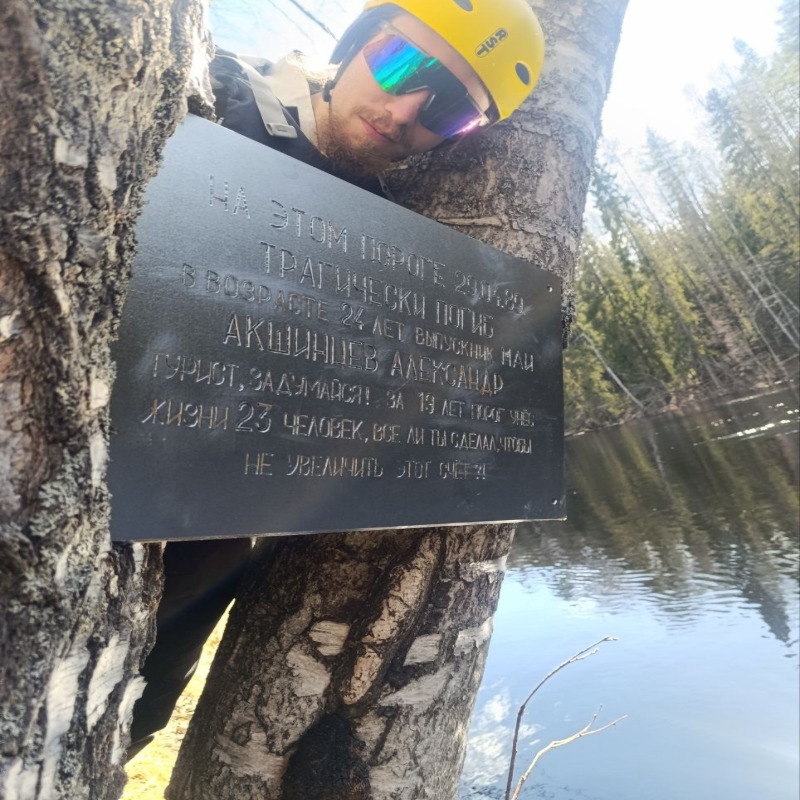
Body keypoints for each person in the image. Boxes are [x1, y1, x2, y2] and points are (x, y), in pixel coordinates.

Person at [127, 0, 545, 761]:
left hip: (193, 581)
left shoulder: (384, 239)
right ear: (358, 38)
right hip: (73, 517)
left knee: (117, 739)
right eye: (402, 64)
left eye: (449, 111)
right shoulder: (212, 91)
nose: (406, 111)